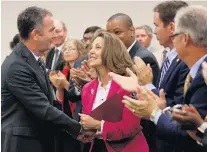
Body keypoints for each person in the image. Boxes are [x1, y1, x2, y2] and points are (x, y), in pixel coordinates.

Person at [119, 5, 207, 152]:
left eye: (175, 36)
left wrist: (154, 113)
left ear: (185, 38)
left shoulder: (202, 75)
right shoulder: (194, 69)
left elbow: (189, 134)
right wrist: (162, 108)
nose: (173, 41)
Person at [1, 6, 85, 152]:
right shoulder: (17, 66)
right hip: (23, 143)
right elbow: (42, 108)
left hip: (37, 138)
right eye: (51, 30)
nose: (55, 36)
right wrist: (78, 128)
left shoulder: (34, 59)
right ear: (35, 34)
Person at [79, 30, 148, 152]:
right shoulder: (87, 88)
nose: (91, 52)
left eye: (98, 47)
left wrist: (98, 125)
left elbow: (131, 127)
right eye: (91, 48)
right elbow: (87, 127)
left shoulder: (127, 84)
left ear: (111, 52)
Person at [106, 13, 159, 85]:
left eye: (117, 32)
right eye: (109, 34)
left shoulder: (144, 57)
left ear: (131, 30)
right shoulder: (114, 56)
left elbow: (149, 92)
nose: (113, 38)